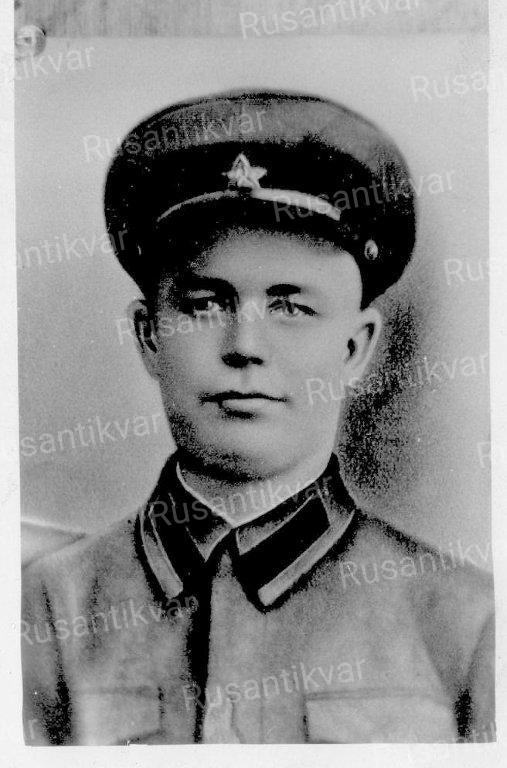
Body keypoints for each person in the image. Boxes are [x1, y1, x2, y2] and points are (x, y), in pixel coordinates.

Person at [22, 90, 494, 745]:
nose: (245, 346)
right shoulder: (44, 609)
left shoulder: (466, 622)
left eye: (290, 307)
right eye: (205, 303)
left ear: (355, 348)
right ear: (148, 336)